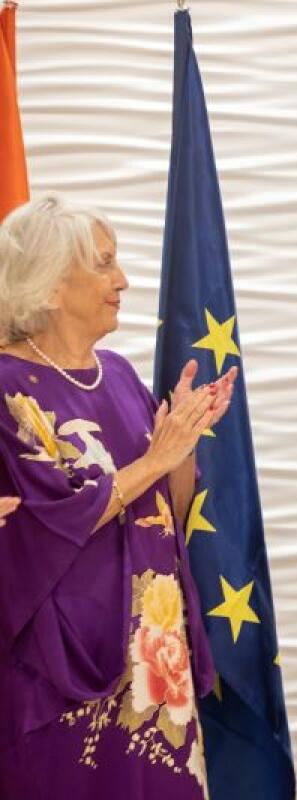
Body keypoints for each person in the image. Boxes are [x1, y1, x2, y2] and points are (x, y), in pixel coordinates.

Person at [0, 196, 237, 798]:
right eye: (104, 264)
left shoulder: (119, 372)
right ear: (51, 285)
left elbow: (169, 512)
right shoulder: (7, 388)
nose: (122, 280)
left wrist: (183, 442)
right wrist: (156, 456)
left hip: (153, 650)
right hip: (63, 663)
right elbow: (50, 521)